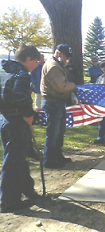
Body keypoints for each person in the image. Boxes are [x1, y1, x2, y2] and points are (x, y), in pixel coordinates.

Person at [0, 43, 41, 213]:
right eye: (36, 61)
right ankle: (9, 201)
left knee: (19, 157)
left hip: (5, 120)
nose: (37, 65)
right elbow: (19, 97)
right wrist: (28, 113)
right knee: (13, 161)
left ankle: (27, 190)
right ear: (28, 59)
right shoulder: (23, 74)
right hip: (16, 122)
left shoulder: (5, 71)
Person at [41, 43, 76, 168]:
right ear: (58, 53)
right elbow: (62, 86)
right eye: (66, 56)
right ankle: (49, 159)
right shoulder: (53, 66)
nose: (67, 59)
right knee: (53, 133)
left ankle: (57, 156)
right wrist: (74, 85)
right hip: (53, 102)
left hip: (58, 103)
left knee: (59, 132)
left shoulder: (58, 65)